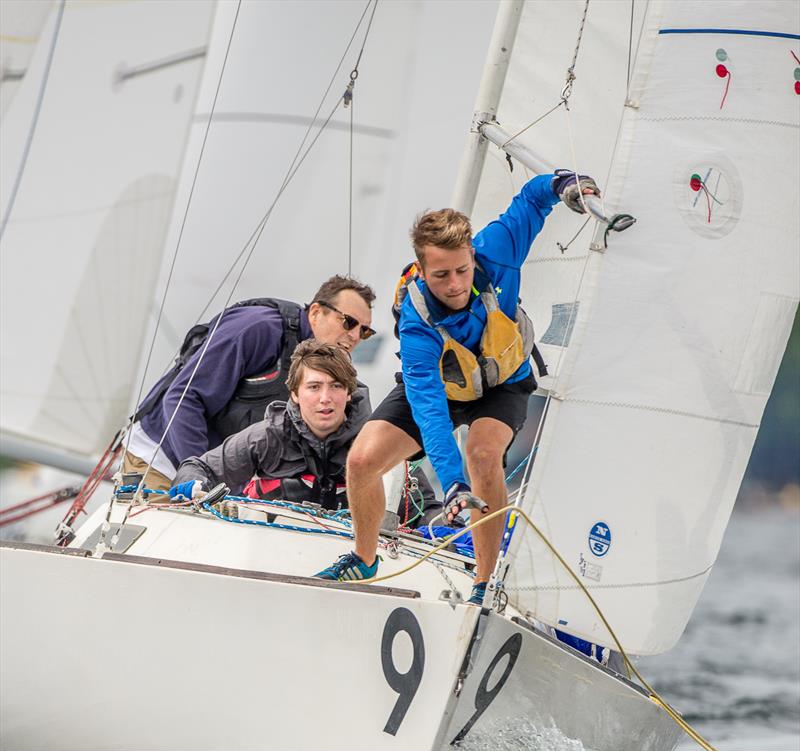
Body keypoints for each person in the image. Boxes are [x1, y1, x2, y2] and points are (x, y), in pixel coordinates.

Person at [316, 171, 599, 602]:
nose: (455, 285)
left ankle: (484, 585)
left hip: (502, 384)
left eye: (462, 270)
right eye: (441, 275)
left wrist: (563, 185)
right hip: (445, 392)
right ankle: (365, 558)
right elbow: (429, 411)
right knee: (361, 461)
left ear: (472, 254)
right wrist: (452, 485)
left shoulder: (498, 248)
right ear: (421, 270)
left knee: (483, 454)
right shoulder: (416, 325)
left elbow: (531, 200)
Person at [123, 275, 376, 491]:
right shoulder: (259, 329)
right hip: (160, 462)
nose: (355, 336)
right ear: (316, 313)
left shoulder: (320, 373)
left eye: (364, 331)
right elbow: (182, 398)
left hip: (218, 482)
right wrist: (199, 475)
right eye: (349, 322)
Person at [170, 339, 440, 523]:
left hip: (352, 565)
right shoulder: (266, 437)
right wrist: (193, 486)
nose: (326, 398)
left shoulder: (380, 443)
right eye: (314, 387)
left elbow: (427, 510)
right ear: (295, 394)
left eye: (336, 386)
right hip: (269, 552)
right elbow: (200, 467)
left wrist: (447, 527)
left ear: (349, 394)